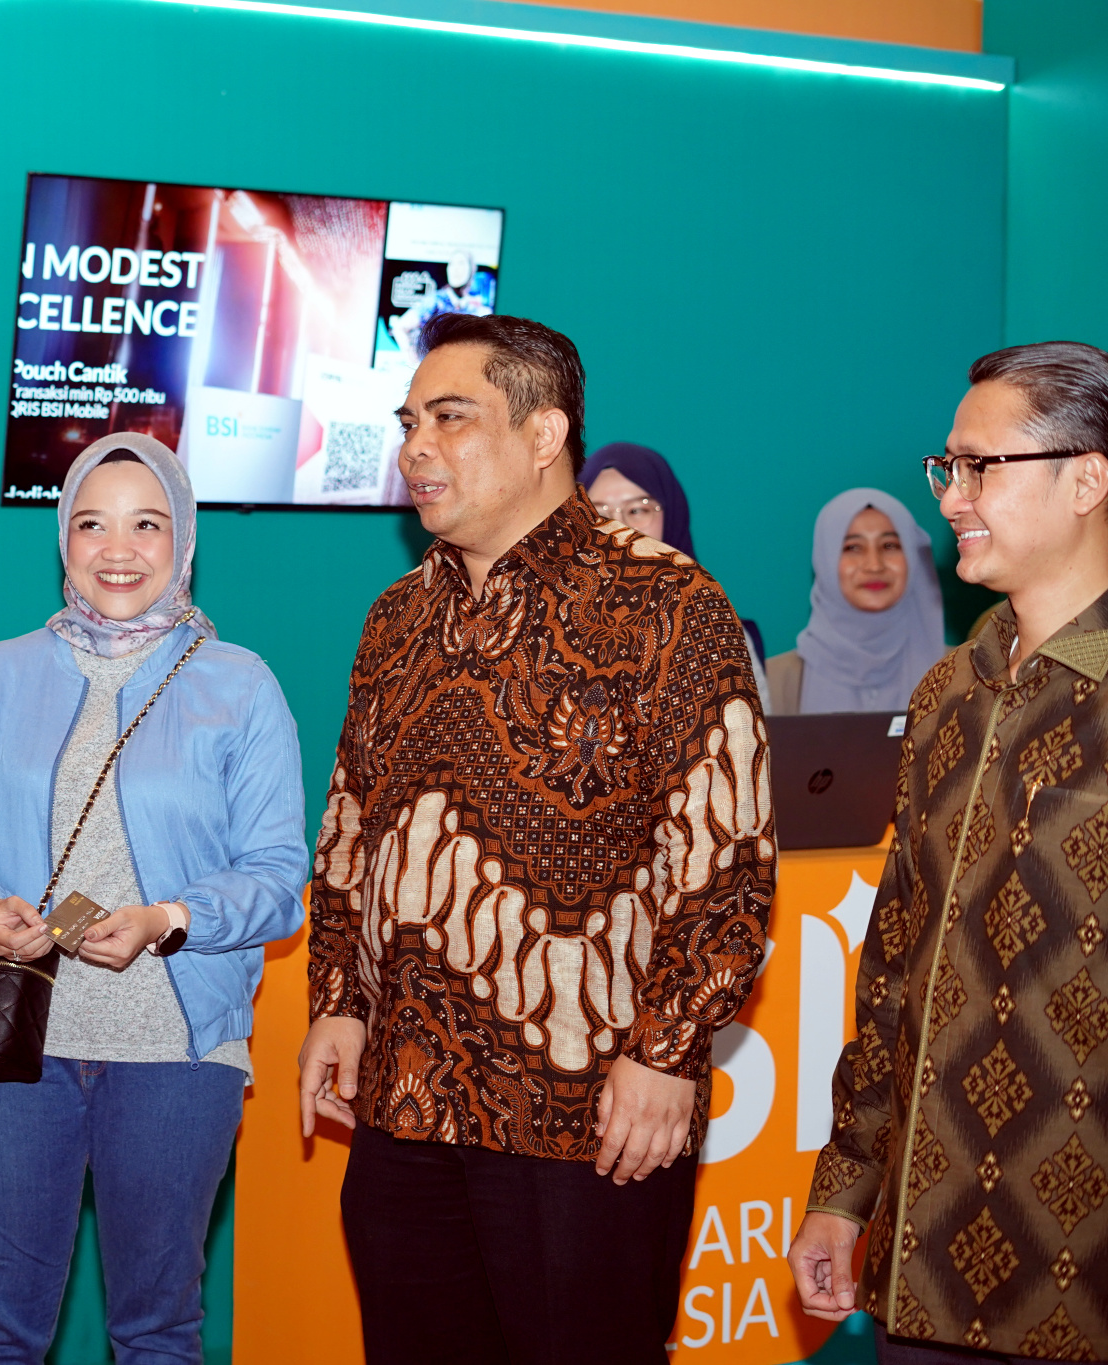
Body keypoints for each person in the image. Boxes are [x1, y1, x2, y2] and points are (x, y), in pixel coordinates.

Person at [298, 312, 775, 1365]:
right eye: (408, 423)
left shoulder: (668, 603)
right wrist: (337, 1001)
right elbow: (348, 830)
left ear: (543, 432)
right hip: (403, 1101)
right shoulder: (395, 618)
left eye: (450, 419)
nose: (415, 448)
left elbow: (725, 865)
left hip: (587, 1113)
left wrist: (665, 1054)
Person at [0, 432, 307, 1364]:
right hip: (15, 1045)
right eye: (92, 524)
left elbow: (278, 876)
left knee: (157, 1329)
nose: (117, 549)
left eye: (146, 525)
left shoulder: (241, 685)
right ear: (64, 538)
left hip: (179, 1051)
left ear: (184, 540)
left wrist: (170, 919)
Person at [789, 341, 1108, 1363]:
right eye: (947, 466)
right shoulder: (944, 693)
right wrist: (843, 1190)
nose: (951, 497)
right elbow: (892, 965)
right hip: (920, 1271)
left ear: (1085, 480)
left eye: (980, 467)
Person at [581, 440, 770, 683]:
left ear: (671, 518)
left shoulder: (719, 634)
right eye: (599, 514)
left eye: (637, 510)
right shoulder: (549, 633)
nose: (620, 530)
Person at [766, 487, 946, 713]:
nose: (874, 565)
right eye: (853, 548)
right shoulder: (771, 683)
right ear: (825, 560)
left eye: (889, 546)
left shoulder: (964, 672)